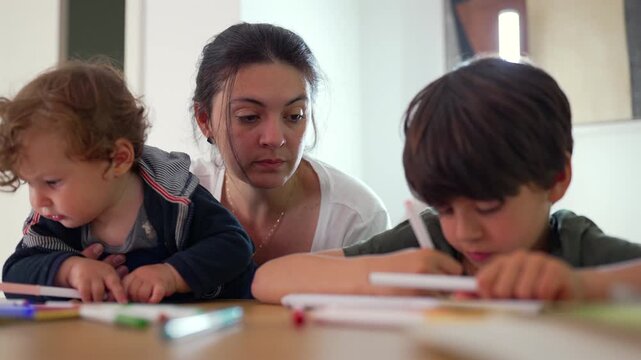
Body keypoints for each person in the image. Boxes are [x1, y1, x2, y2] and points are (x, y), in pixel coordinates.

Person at [252, 57, 641, 304]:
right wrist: (378, 277)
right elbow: (268, 279)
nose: (465, 231)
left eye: (488, 207)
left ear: (556, 179)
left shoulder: (574, 246)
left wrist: (580, 288)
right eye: (445, 208)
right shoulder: (434, 243)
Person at [0, 61, 255, 303]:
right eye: (30, 184)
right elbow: (14, 274)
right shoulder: (53, 217)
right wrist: (70, 270)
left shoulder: (174, 196)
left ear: (119, 159)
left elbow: (235, 246)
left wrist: (171, 275)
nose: (38, 200)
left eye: (52, 182)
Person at [190, 23, 390, 265]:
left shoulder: (355, 216)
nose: (275, 138)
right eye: (249, 117)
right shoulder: (176, 199)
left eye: (294, 116)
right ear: (204, 119)